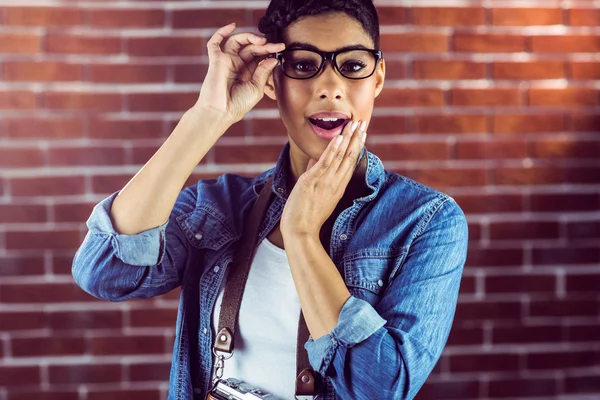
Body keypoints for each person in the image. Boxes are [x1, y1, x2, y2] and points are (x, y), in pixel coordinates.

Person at [72, 0, 468, 399]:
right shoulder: (221, 207)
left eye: (351, 66)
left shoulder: (425, 221)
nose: (329, 88)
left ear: (378, 78)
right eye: (302, 65)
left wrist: (301, 234)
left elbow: (381, 389)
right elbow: (105, 272)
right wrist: (208, 116)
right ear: (271, 81)